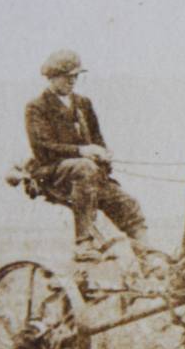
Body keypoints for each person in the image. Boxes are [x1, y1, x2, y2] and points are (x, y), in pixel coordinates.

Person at [25, 49, 149, 262]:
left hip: (89, 175)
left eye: (76, 76)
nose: (73, 81)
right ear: (52, 77)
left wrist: (103, 155)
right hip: (53, 172)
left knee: (129, 204)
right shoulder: (37, 107)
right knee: (84, 167)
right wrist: (82, 151)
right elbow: (43, 147)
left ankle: (149, 259)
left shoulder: (83, 103)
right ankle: (84, 243)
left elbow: (97, 138)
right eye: (67, 76)